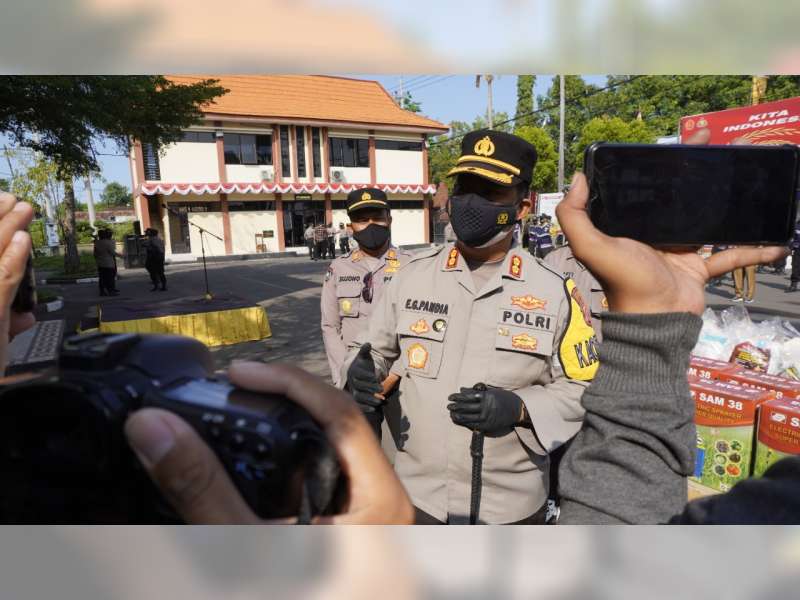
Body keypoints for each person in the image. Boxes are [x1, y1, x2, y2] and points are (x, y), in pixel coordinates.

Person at [344, 130, 599, 525]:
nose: (471, 203)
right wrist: (359, 374)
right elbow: (372, 353)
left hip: (509, 507)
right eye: (465, 188)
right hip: (417, 498)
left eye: (490, 192)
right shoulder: (410, 277)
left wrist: (520, 408)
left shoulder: (554, 291)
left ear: (523, 206)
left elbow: (585, 387)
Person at [93, 228, 122, 297]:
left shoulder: (97, 243)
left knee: (102, 278)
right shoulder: (107, 243)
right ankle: (111, 291)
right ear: (105, 235)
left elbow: (95, 254)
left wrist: (98, 260)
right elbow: (112, 253)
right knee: (110, 278)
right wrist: (122, 256)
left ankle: (102, 291)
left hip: (100, 263)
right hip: (108, 263)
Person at [785, 221, 800, 292]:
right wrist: (790, 247)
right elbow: (791, 238)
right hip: (797, 249)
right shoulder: (796, 225)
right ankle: (793, 285)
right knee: (795, 266)